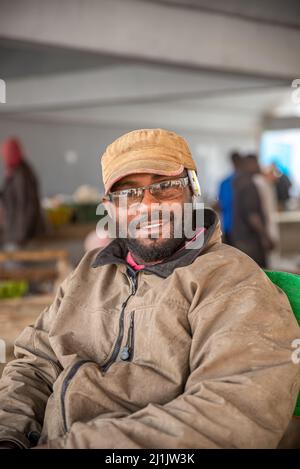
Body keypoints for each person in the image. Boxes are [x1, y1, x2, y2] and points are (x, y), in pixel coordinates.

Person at [0, 129, 299, 449]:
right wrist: (10, 435)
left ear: (193, 190)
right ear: (110, 207)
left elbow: (234, 415)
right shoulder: (90, 274)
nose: (148, 205)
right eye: (128, 193)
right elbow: (36, 363)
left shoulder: (231, 282)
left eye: (166, 186)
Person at [0, 138, 45, 248]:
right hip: (15, 232)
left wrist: (21, 236)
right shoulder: (13, 171)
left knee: (14, 264)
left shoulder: (22, 174)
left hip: (22, 236)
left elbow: (27, 206)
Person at [231, 157, 274, 268]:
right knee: (260, 272)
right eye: (256, 163)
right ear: (249, 164)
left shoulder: (239, 182)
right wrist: (265, 236)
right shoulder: (249, 185)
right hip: (251, 240)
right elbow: (252, 215)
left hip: (240, 237)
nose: (259, 166)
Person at [218, 151, 243, 245]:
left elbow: (220, 205)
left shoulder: (225, 182)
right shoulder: (247, 182)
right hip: (242, 229)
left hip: (229, 226)